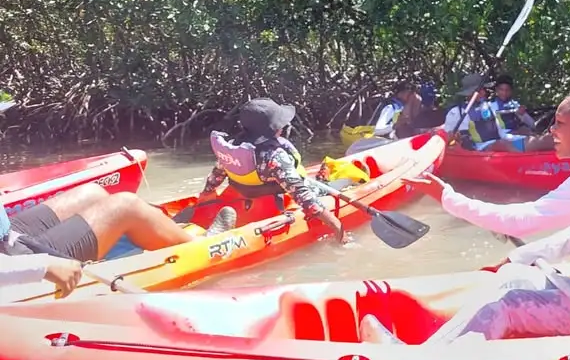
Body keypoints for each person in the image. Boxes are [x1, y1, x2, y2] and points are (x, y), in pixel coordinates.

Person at [389, 68, 570, 341]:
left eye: (561, 123)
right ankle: (437, 346)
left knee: (507, 306)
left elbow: (520, 221)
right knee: (513, 276)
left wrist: (446, 197)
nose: (552, 130)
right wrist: (520, 257)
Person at [1, 183, 237, 298]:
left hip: (8, 237)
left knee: (92, 193)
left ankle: (148, 233)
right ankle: (202, 247)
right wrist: (43, 266)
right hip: (14, 259)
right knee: (126, 205)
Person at [201, 98, 347, 243]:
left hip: (246, 198)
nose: (282, 126)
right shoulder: (274, 156)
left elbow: (216, 175)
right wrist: (336, 226)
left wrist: (205, 198)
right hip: (277, 203)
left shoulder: (233, 147)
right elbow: (303, 196)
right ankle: (328, 183)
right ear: (273, 128)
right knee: (331, 187)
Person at [444, 74, 529, 152]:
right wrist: (455, 139)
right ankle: (523, 162)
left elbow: (501, 133)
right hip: (479, 150)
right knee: (502, 145)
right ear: (470, 93)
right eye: (480, 91)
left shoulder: (488, 107)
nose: (484, 93)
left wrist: (519, 136)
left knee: (534, 141)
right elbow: (450, 140)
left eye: (483, 90)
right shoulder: (456, 112)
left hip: (499, 142)